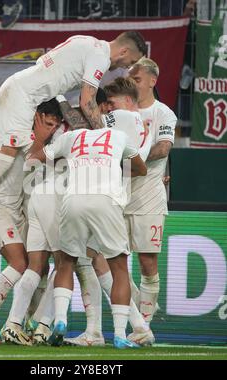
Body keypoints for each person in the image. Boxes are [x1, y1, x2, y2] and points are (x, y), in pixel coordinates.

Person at [0, 31, 147, 257]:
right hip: (22, 96)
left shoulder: (86, 42)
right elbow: (87, 99)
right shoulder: (100, 56)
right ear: (124, 51)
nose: (122, 67)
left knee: (20, 149)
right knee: (5, 158)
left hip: (22, 92)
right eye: (128, 62)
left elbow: (50, 69)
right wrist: (104, 138)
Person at [28, 110, 147, 348]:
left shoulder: (71, 137)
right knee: (119, 269)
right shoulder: (119, 136)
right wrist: (114, 168)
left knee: (66, 263)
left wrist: (46, 144)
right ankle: (121, 335)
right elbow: (141, 169)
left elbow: (35, 157)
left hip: (73, 200)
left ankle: (60, 320)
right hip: (105, 200)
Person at [0, 100, 62, 345]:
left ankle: (27, 323)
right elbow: (31, 157)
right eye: (47, 123)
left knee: (39, 265)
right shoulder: (26, 136)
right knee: (21, 263)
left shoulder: (30, 137)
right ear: (37, 118)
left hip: (14, 211)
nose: (50, 130)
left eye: (55, 126)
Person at [121, 58, 177, 343]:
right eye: (130, 79)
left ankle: (143, 327)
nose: (132, 84)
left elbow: (164, 147)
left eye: (138, 79)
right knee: (110, 262)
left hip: (149, 196)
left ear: (153, 81)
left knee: (147, 263)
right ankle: (138, 320)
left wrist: (133, 160)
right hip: (118, 194)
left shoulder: (163, 113)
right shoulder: (119, 111)